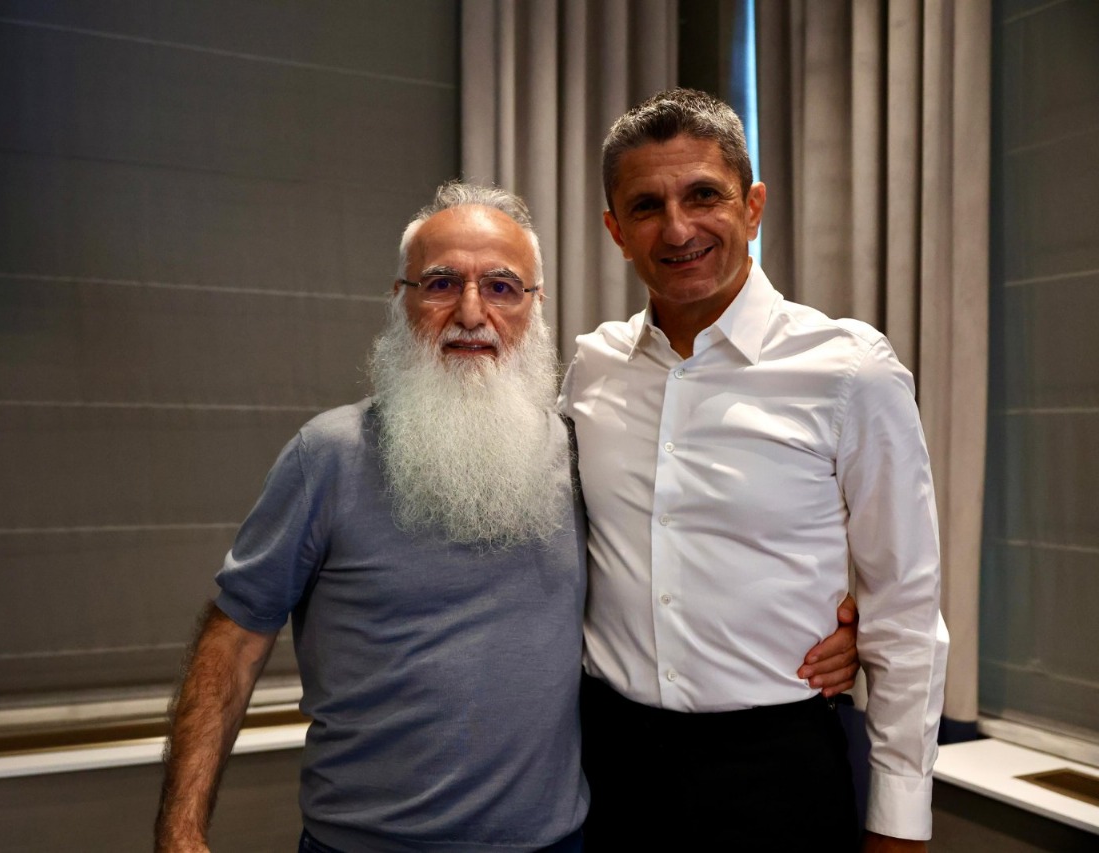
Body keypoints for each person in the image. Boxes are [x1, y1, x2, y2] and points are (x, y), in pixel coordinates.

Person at [154, 182, 859, 853]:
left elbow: (679, 560)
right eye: (440, 283)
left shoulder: (582, 453)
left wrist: (818, 621)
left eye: (501, 287)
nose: (471, 312)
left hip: (558, 842)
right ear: (399, 300)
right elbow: (233, 641)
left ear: (535, 306)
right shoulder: (327, 456)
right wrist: (181, 832)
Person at [560, 88, 949, 852]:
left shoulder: (850, 370)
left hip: (780, 774)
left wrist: (900, 824)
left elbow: (905, 605)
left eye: (704, 195)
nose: (678, 228)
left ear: (753, 206)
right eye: (646, 206)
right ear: (616, 231)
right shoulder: (590, 369)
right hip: (611, 768)